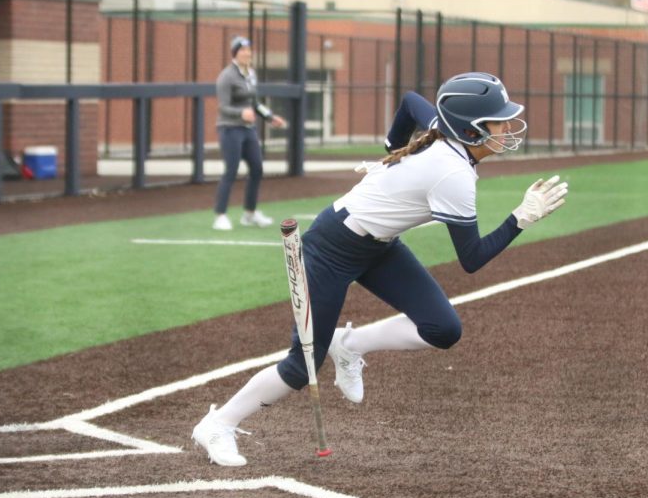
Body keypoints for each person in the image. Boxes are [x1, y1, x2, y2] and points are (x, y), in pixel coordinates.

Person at [192, 72, 569, 467]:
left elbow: (409, 100)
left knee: (443, 329)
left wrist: (393, 153)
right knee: (302, 366)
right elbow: (471, 259)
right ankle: (218, 424)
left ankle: (349, 345)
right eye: (498, 120)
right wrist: (519, 220)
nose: (507, 127)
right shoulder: (454, 175)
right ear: (470, 130)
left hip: (378, 246)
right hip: (332, 246)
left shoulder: (446, 132)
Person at [212, 36, 287, 231]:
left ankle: (250, 213)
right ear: (235, 53)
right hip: (230, 129)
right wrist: (241, 113)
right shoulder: (226, 76)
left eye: (248, 50)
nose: (247, 53)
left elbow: (255, 103)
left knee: (257, 168)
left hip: (248, 130)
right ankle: (220, 215)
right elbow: (223, 107)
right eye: (242, 50)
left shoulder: (251, 74)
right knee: (231, 170)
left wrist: (270, 117)